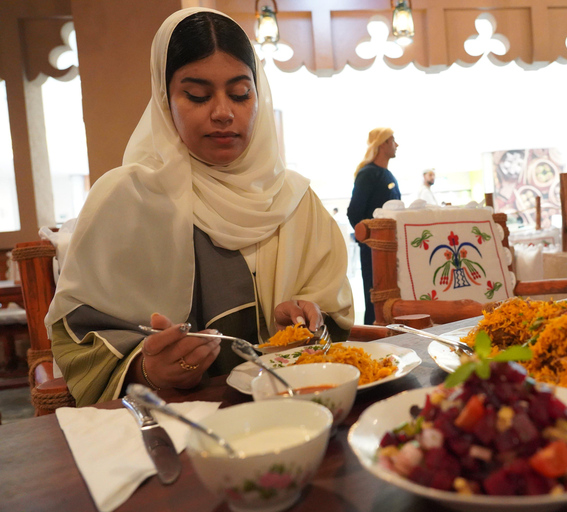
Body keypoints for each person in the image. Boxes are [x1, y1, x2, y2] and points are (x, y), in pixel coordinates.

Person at [44, 8, 353, 406]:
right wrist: (148, 368)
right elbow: (79, 340)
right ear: (164, 99)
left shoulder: (296, 201)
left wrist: (307, 322)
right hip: (174, 424)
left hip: (298, 413)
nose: (223, 112)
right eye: (197, 95)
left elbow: (333, 322)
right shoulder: (127, 200)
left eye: (240, 94)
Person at [347, 128, 401, 324]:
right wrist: (370, 240)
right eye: (393, 140)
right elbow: (354, 212)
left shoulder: (387, 175)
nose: (397, 145)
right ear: (383, 143)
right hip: (374, 252)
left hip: (390, 250)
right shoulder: (368, 174)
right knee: (375, 301)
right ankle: (374, 337)